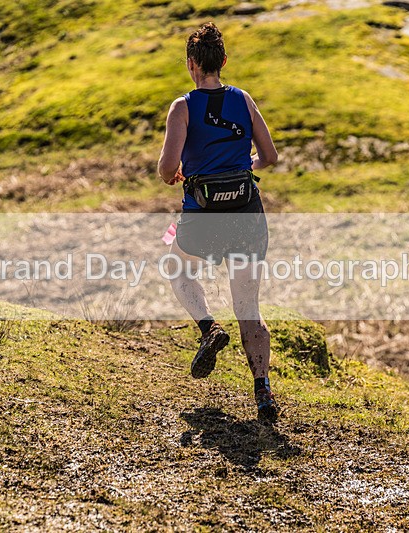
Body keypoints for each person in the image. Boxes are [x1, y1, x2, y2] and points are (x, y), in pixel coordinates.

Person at [157, 22, 280, 423]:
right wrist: (243, 166)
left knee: (177, 268)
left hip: (204, 214)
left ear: (192, 65)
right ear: (222, 61)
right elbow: (269, 156)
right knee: (249, 305)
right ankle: (262, 390)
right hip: (247, 212)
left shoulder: (183, 107)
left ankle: (209, 328)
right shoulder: (242, 100)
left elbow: (166, 169)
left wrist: (180, 173)